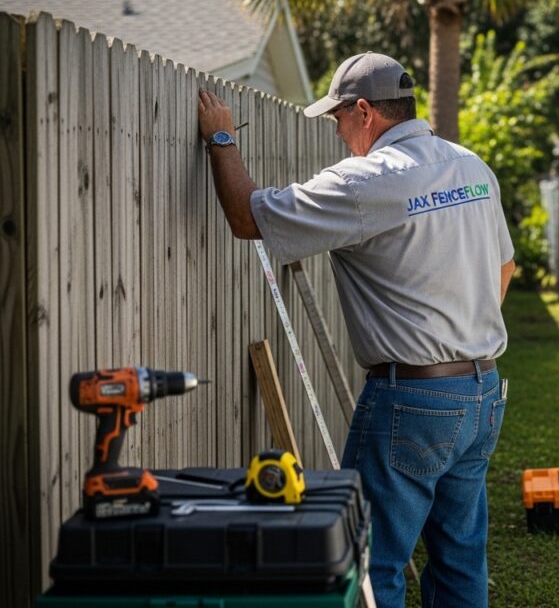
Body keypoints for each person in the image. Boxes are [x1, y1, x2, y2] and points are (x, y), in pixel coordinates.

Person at [197, 51, 515, 608]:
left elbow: (248, 217)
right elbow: (504, 268)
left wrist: (221, 140)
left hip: (412, 398)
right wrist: (459, 334)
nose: (340, 133)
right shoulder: (471, 167)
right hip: (481, 392)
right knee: (460, 557)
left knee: (369, 565)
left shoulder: (367, 181)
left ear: (364, 111)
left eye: (338, 118)